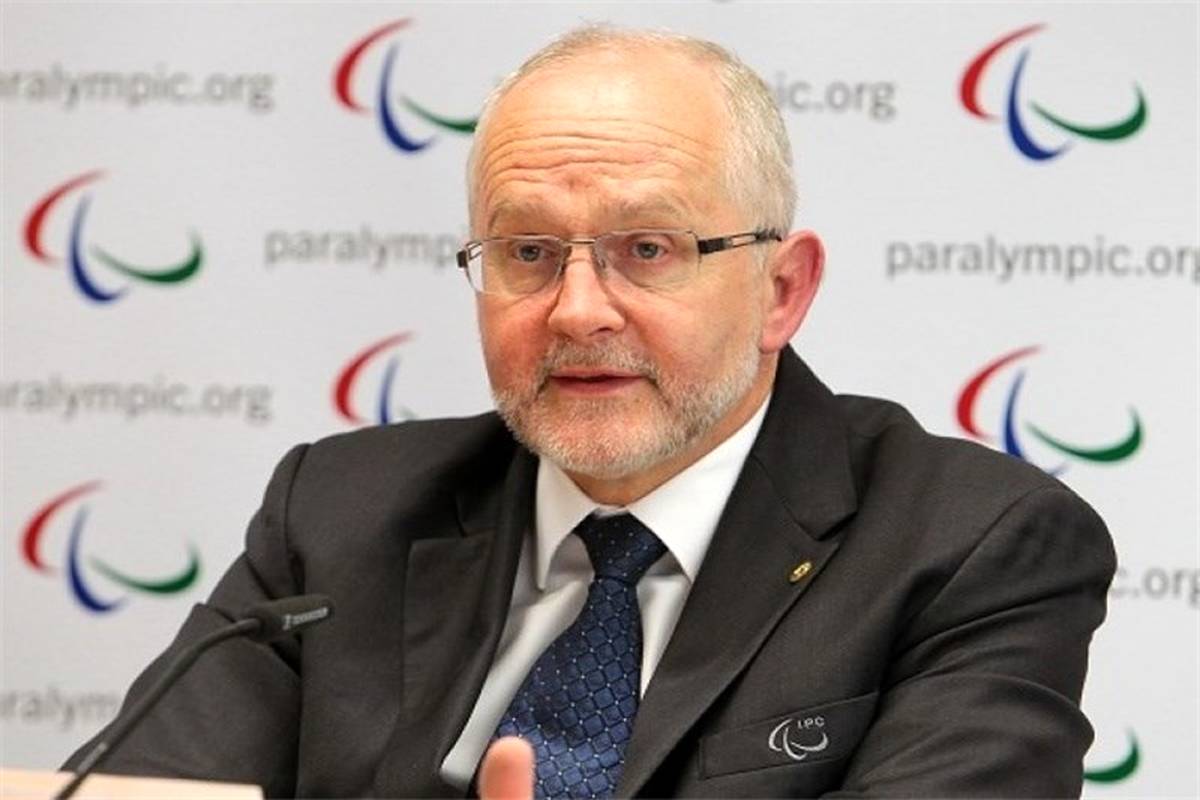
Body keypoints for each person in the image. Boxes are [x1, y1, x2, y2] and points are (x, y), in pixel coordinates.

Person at [66, 25, 1116, 799]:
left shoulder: (970, 545)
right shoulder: (339, 511)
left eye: (647, 249)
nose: (576, 310)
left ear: (781, 290)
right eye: (527, 251)